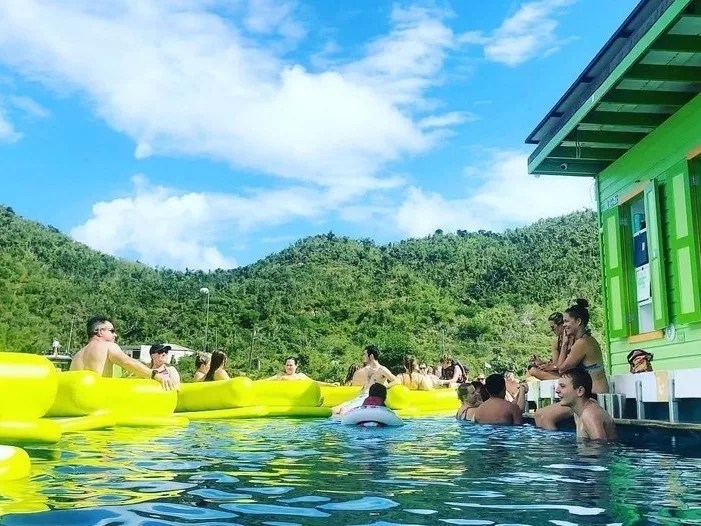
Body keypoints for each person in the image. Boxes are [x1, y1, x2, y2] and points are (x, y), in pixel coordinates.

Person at [535, 299, 610, 431]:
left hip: (594, 396)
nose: (564, 325)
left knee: (544, 417)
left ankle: (558, 449)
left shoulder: (583, 343)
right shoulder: (581, 341)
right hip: (585, 394)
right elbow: (561, 368)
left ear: (578, 322)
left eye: (566, 321)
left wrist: (563, 344)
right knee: (538, 414)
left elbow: (561, 368)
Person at [70, 316, 174, 390]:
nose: (115, 335)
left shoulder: (77, 355)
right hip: (98, 402)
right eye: (112, 331)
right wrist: (155, 375)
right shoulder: (108, 346)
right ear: (100, 331)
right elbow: (127, 362)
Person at [332, 345, 398, 415]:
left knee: (343, 410)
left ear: (371, 356)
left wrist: (383, 387)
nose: (362, 356)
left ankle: (340, 424)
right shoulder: (366, 370)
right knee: (335, 409)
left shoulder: (381, 369)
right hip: (361, 396)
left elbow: (397, 381)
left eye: (364, 354)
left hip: (369, 397)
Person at [557, 368, 617, 441]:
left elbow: (600, 448)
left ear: (580, 391)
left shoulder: (589, 415)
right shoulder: (580, 411)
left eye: (562, 386)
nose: (557, 390)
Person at [527, 312, 573, 380]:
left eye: (553, 327)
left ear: (561, 325)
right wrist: (541, 363)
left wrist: (554, 367)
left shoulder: (573, 339)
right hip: (560, 372)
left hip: (572, 373)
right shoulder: (556, 342)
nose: (552, 330)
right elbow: (556, 364)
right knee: (532, 370)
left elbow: (562, 366)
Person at [266, 357, 338, 385]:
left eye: (291, 365)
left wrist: (330, 385)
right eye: (287, 365)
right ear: (284, 366)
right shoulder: (280, 375)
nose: (288, 367)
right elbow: (266, 381)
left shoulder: (300, 376)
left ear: (296, 366)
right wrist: (254, 383)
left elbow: (314, 383)